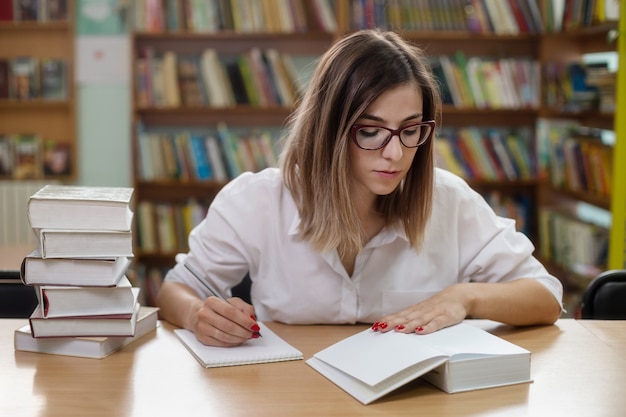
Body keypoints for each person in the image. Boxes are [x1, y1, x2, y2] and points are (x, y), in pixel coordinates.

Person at [156, 29, 563, 347]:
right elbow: (177, 289)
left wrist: (465, 297)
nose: (396, 154)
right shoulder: (258, 200)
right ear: (328, 129)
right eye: (371, 131)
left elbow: (545, 297)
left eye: (411, 130)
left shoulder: (448, 199)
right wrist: (198, 316)